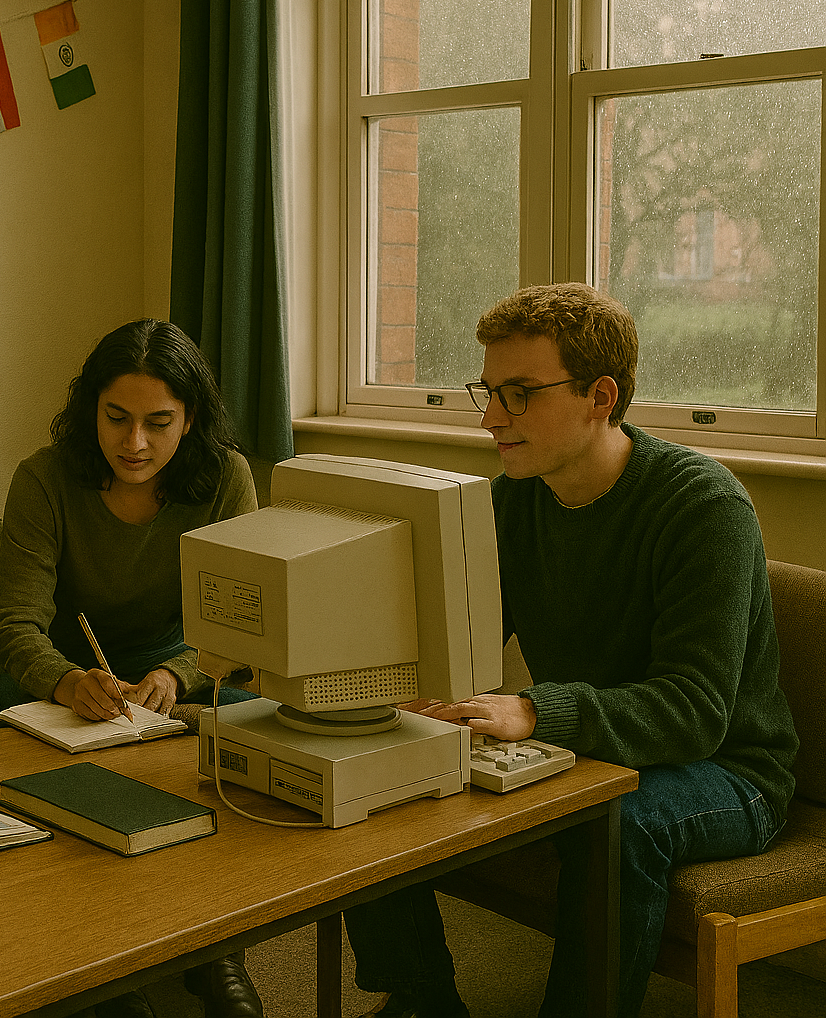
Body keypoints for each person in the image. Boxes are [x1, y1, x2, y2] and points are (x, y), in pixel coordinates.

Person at [342, 283, 798, 1018]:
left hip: (727, 770)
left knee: (614, 822)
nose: (492, 418)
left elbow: (696, 712)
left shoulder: (703, 508)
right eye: (488, 392)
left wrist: (533, 708)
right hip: (588, 750)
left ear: (600, 395)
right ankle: (422, 1000)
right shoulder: (511, 501)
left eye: (518, 394)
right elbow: (460, 641)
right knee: (369, 773)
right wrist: (392, 693)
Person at [0, 318, 264, 1018]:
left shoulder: (226, 477)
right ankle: (112, 965)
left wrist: (176, 675)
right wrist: (65, 678)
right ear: (91, 411)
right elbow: (13, 625)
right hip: (73, 677)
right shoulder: (44, 478)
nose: (134, 443)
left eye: (158, 423)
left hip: (189, 672)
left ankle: (216, 947)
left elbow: (244, 629)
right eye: (116, 419)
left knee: (258, 737)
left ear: (190, 419)